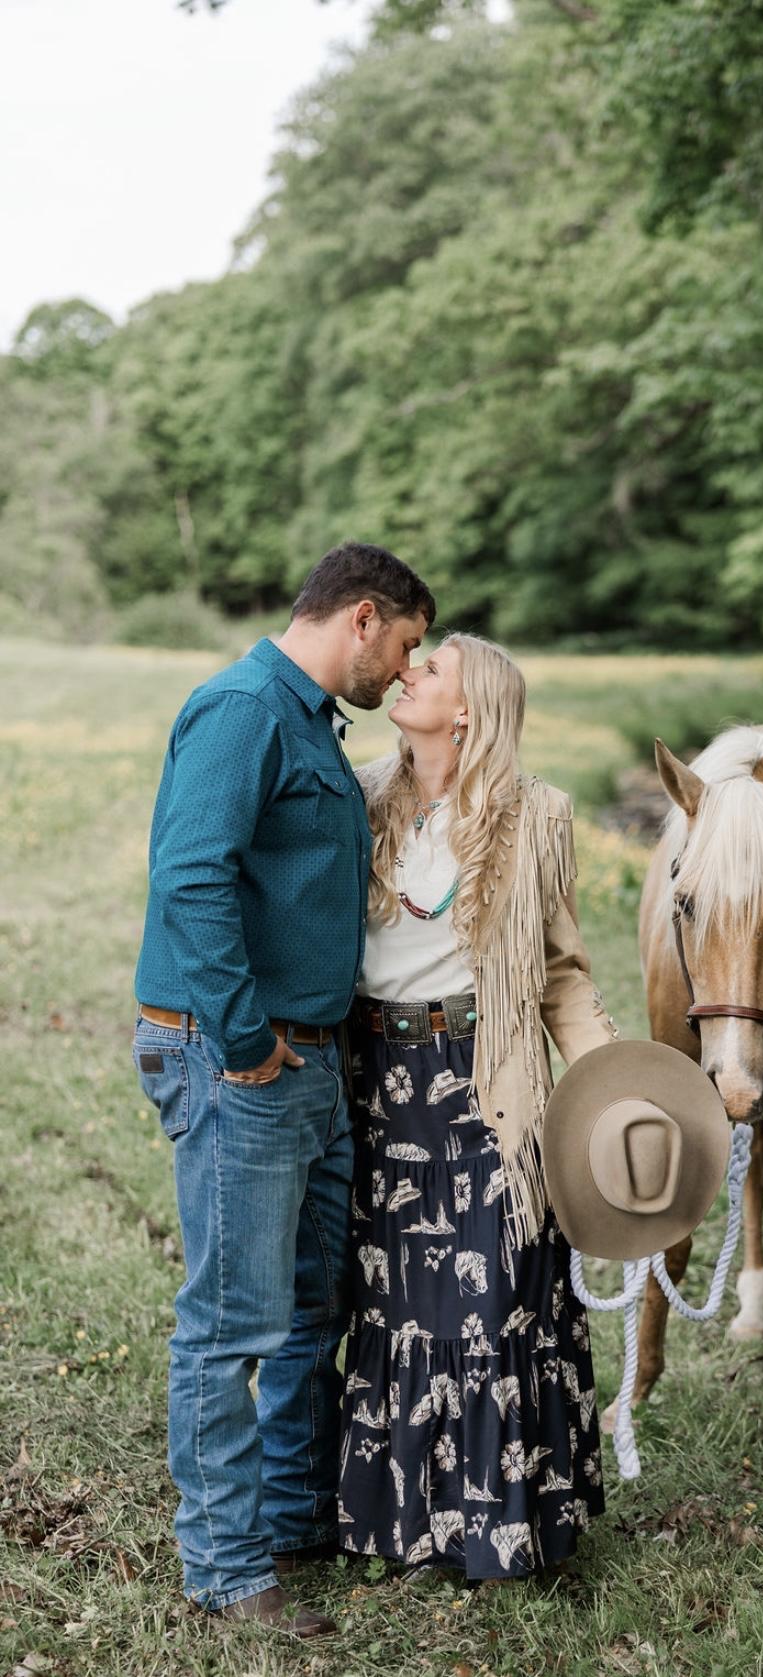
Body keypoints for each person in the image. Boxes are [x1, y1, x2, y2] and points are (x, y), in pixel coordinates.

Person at [132, 542, 435, 1638]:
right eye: (404, 644)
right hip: (240, 1059)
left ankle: (296, 1518)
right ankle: (223, 1569)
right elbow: (191, 874)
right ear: (362, 617)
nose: (406, 670)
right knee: (233, 1323)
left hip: (309, 1060)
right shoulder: (243, 711)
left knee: (317, 1304)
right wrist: (248, 1039)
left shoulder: (309, 721)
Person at [338, 632, 617, 1580]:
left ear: (468, 709)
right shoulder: (363, 797)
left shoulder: (538, 816)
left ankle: (501, 1527)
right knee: (398, 1296)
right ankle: (409, 1528)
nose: (406, 669)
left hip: (487, 1078)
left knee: (492, 1298)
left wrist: (614, 1089)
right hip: (378, 1079)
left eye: (431, 666)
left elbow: (563, 979)